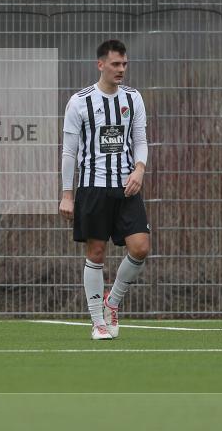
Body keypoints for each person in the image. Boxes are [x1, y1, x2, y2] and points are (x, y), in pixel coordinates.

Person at [59, 39, 150, 340]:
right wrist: (67, 194)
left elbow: (140, 140)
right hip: (93, 187)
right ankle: (98, 322)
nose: (121, 69)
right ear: (101, 65)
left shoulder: (133, 98)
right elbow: (69, 152)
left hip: (126, 188)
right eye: (115, 64)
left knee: (140, 247)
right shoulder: (79, 102)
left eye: (124, 64)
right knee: (96, 252)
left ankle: (113, 302)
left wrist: (139, 169)